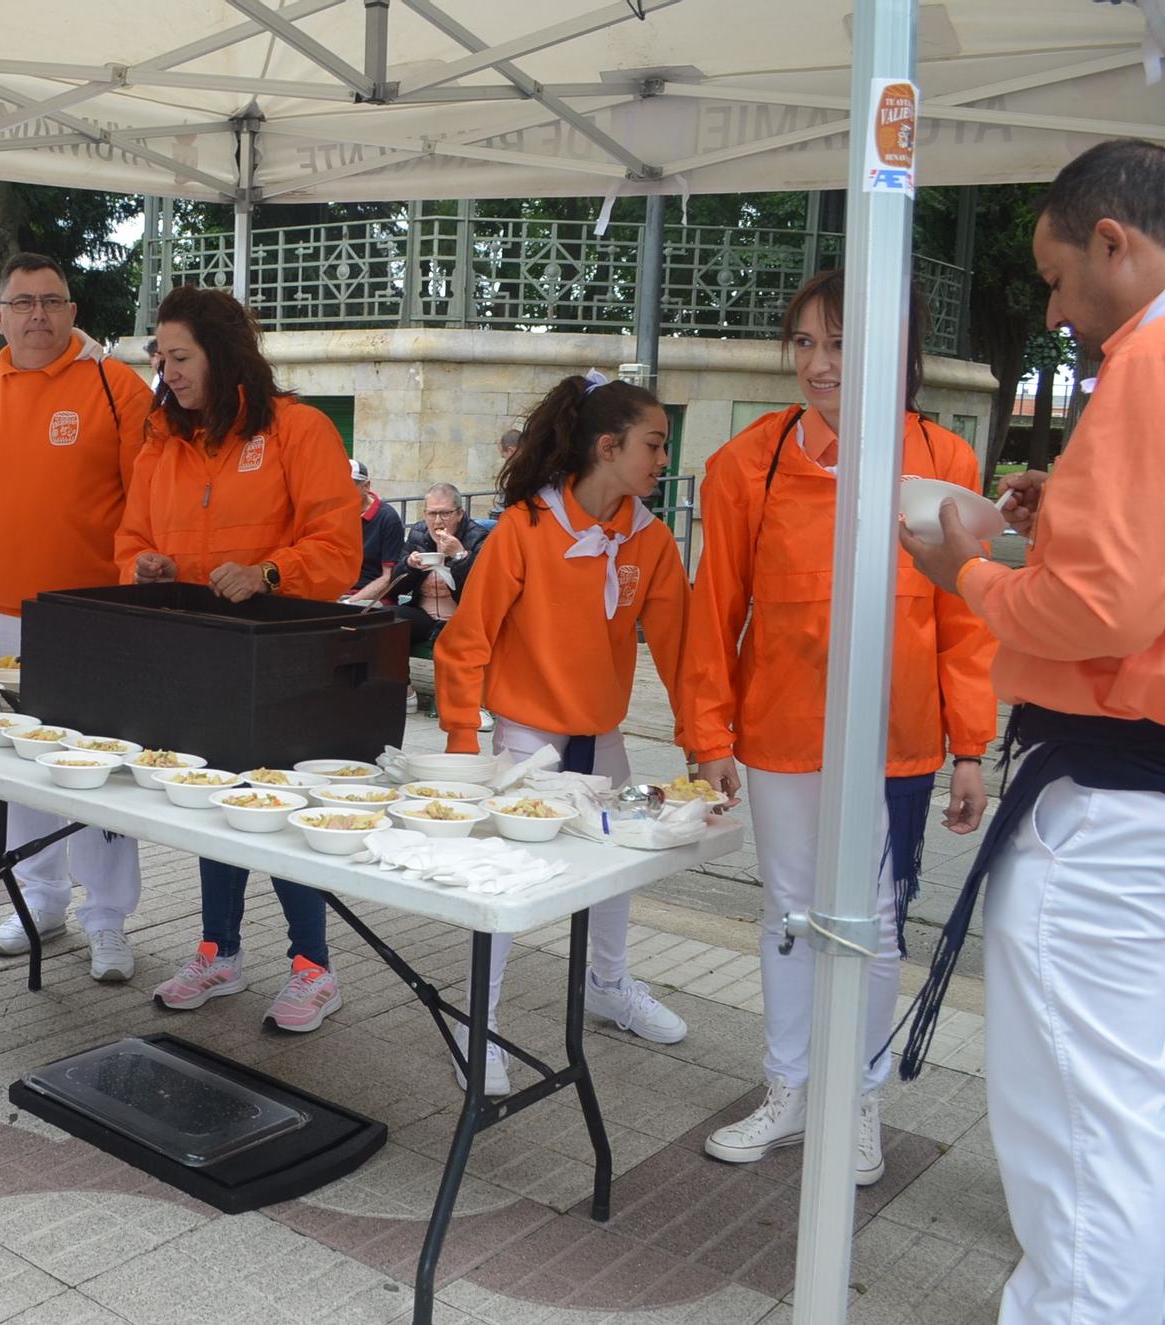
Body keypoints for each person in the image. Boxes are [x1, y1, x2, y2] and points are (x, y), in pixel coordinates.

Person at [897, 139, 1165, 1325]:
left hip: (1107, 805)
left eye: (1057, 278)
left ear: (1115, 241)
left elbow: (1101, 607)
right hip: (1132, 796)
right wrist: (1058, 512)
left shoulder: (1147, 360)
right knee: (1125, 1110)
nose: (1052, 309)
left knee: (1077, 1128)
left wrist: (969, 572)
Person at [683, 269, 996, 1187]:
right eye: (808, 343)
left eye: (843, 344)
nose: (820, 366)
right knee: (787, 912)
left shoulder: (943, 462)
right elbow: (715, 608)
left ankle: (857, 1097)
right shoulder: (747, 462)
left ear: (897, 353)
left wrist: (970, 744)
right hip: (780, 731)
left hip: (896, 739)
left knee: (878, 922)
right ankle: (789, 1085)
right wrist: (707, 732)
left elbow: (964, 617)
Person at [432, 373, 693, 1095]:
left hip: (602, 739)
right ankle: (473, 1021)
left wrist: (710, 742)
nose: (664, 458)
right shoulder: (524, 529)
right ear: (608, 447)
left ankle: (608, 984)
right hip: (526, 746)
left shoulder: (650, 539)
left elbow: (684, 651)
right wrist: (461, 749)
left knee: (616, 875)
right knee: (507, 886)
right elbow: (465, 643)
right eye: (654, 443)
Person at [0, 253, 153, 983]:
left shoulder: (117, 388)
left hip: (98, 621)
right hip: (0, 620)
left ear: (73, 311)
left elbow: (150, 504)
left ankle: (107, 916)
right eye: (24, 302)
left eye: (52, 301)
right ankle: (37, 898)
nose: (38, 315)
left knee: (99, 772)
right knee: (19, 770)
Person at [121, 285, 360, 1032]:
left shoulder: (300, 429)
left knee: (278, 814)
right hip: (198, 658)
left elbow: (338, 545)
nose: (169, 369)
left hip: (284, 661)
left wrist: (270, 571)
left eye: (181, 355)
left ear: (223, 355)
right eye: (161, 355)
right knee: (211, 809)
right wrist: (146, 566)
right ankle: (219, 950)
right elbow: (128, 539)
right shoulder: (162, 442)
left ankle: (313, 968)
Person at [373, 482, 490, 646]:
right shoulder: (418, 534)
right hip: (424, 615)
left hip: (463, 618)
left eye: (445, 514)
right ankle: (389, 671)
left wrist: (460, 556)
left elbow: (483, 590)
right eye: (432, 513)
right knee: (380, 620)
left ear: (460, 514)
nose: (438, 521)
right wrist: (409, 565)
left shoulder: (478, 537)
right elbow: (395, 587)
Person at [344, 459, 405, 602]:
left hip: (372, 597)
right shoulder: (334, 513)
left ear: (366, 486)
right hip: (337, 593)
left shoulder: (388, 518)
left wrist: (349, 602)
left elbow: (388, 578)